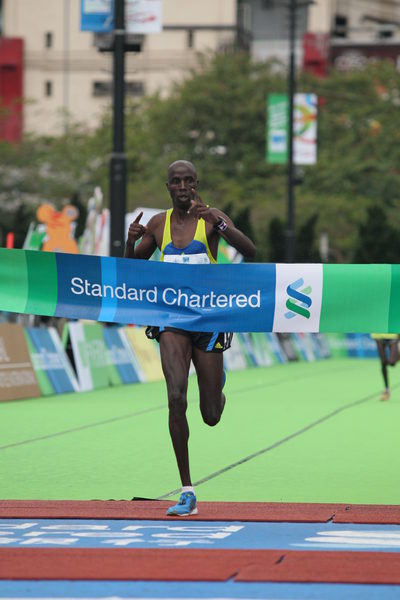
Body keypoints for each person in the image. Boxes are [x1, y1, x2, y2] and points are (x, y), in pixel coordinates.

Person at [125, 159, 256, 516]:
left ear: (196, 184)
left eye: (188, 181)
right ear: (168, 186)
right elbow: (131, 271)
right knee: (175, 397)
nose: (182, 187)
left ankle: (217, 385)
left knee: (210, 415)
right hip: (171, 320)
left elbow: (250, 251)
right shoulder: (158, 224)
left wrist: (220, 223)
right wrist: (130, 242)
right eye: (176, 181)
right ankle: (187, 490)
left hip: (208, 320)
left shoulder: (211, 218)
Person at [371, 333, 400, 401]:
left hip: (393, 335)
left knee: (392, 362)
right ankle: (386, 390)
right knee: (383, 362)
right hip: (379, 335)